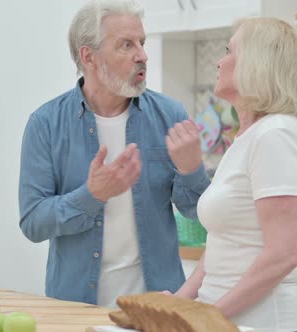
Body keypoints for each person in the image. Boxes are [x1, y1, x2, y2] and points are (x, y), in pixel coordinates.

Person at [18, 0, 210, 307]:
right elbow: (33, 222)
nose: (142, 55)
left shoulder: (170, 115)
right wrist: (92, 195)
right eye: (126, 45)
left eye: (142, 43)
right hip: (75, 308)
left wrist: (192, 169)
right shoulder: (45, 124)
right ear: (88, 56)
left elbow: (199, 213)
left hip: (158, 306)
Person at [170, 17, 297, 332]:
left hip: (271, 323)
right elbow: (223, 246)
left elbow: (282, 255)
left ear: (256, 65)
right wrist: (180, 304)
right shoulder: (249, 137)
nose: (219, 61)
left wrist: (207, 317)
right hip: (229, 322)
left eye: (229, 51)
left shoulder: (277, 135)